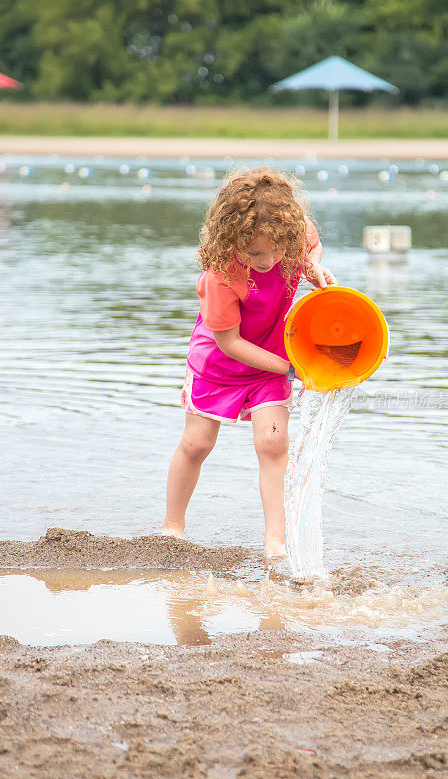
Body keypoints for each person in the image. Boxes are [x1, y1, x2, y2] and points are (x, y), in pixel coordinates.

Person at [162, 166, 337, 557]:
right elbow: (229, 342)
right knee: (197, 443)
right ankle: (172, 526)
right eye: (255, 252)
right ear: (231, 239)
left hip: (273, 354)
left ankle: (275, 540)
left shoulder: (291, 235)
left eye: (276, 250)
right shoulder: (220, 275)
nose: (268, 260)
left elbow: (311, 246)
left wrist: (311, 267)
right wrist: (290, 368)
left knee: (273, 443)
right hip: (222, 362)